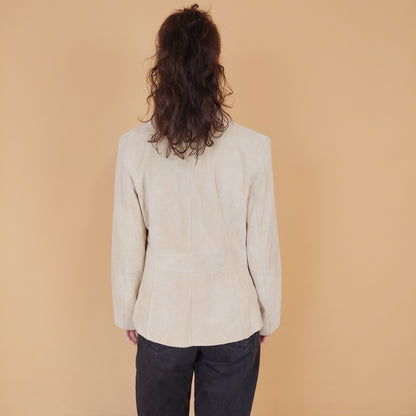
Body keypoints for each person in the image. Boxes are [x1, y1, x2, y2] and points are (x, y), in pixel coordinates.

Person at [110, 3, 282, 415]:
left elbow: (127, 242)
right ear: (216, 62)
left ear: (162, 64)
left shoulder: (133, 148)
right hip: (233, 317)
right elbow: (262, 243)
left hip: (161, 315)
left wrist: (127, 312)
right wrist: (267, 314)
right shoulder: (252, 148)